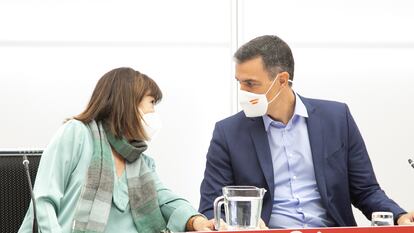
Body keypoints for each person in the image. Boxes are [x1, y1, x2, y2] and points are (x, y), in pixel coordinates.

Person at [199, 35, 414, 228]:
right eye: (240, 83)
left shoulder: (337, 119)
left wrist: (399, 216)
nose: (243, 92)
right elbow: (211, 207)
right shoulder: (228, 133)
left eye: (251, 84)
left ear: (282, 80)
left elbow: (365, 190)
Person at [19, 67, 214, 233]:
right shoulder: (77, 134)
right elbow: (43, 201)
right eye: (152, 102)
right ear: (128, 101)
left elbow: (165, 199)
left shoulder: (140, 160)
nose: (154, 112)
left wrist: (195, 221)